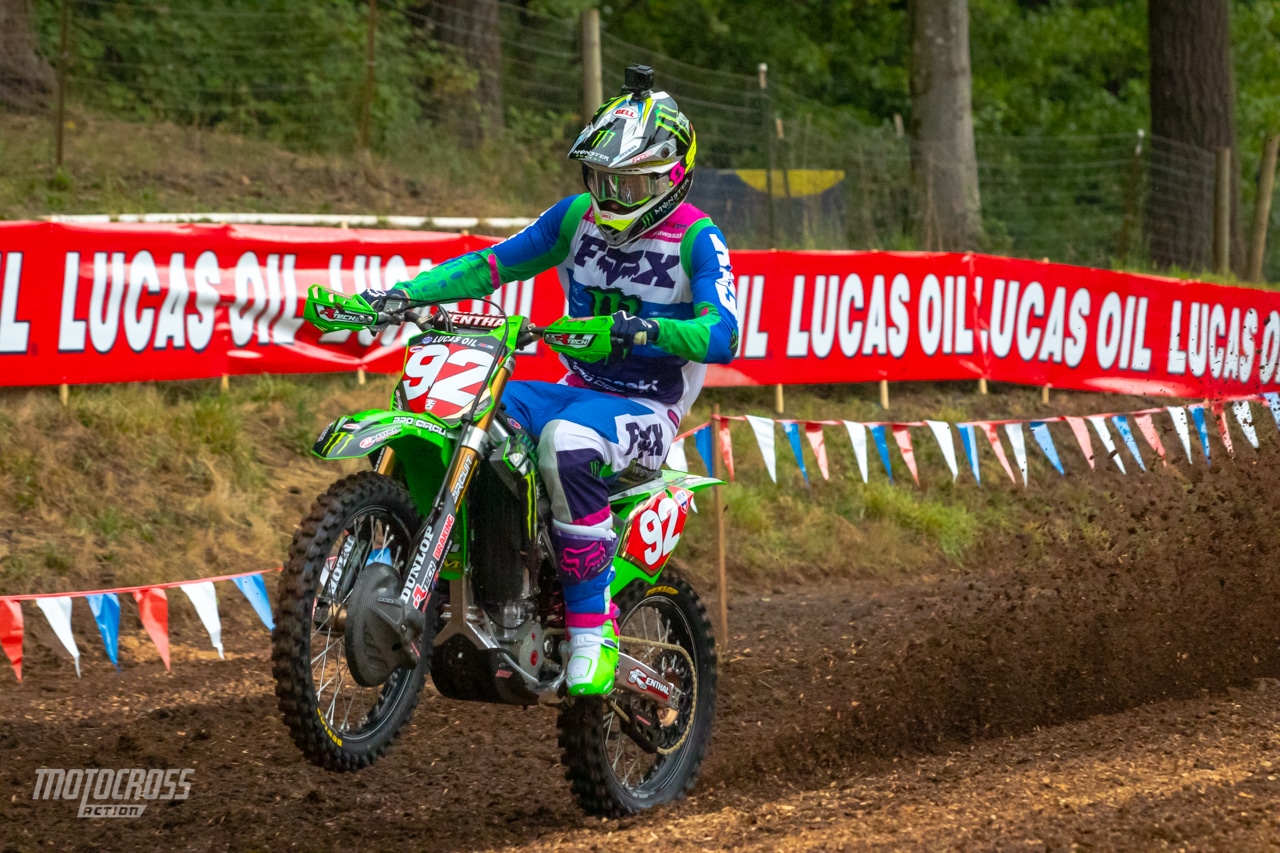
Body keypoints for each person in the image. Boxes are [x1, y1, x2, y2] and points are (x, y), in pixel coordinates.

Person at [363, 65, 738, 696]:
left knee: (564, 443)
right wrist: (401, 294)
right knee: (461, 407)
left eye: (630, 182)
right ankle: (438, 573)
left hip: (647, 410)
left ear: (671, 177)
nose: (612, 196)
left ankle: (595, 631)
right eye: (603, 179)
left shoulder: (698, 239)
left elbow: (723, 334)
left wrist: (638, 331)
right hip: (574, 388)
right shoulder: (575, 220)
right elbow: (489, 266)